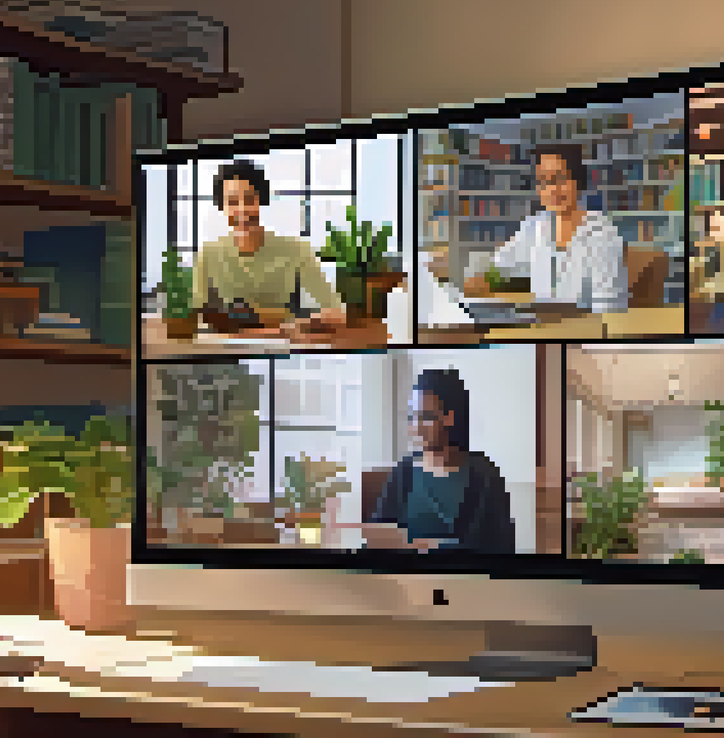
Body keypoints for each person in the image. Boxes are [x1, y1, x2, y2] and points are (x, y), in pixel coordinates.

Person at [461, 144, 629, 313]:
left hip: (588, 330)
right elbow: (502, 264)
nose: (552, 189)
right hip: (543, 325)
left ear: (578, 180)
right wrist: (481, 280)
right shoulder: (534, 226)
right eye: (543, 181)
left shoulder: (602, 232)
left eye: (561, 179)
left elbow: (609, 304)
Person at [366, 368, 515, 553]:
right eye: (412, 417)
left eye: (425, 417)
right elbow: (377, 537)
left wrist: (433, 548)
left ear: (449, 417)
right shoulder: (404, 471)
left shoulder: (484, 475)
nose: (416, 427)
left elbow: (501, 546)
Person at [191, 160, 347, 330]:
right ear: (222, 206)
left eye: (250, 199)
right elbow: (197, 315)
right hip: (229, 348)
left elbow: (336, 311)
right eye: (233, 202)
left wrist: (263, 318)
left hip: (284, 348)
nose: (242, 209)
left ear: (261, 200)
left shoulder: (296, 251)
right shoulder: (207, 254)